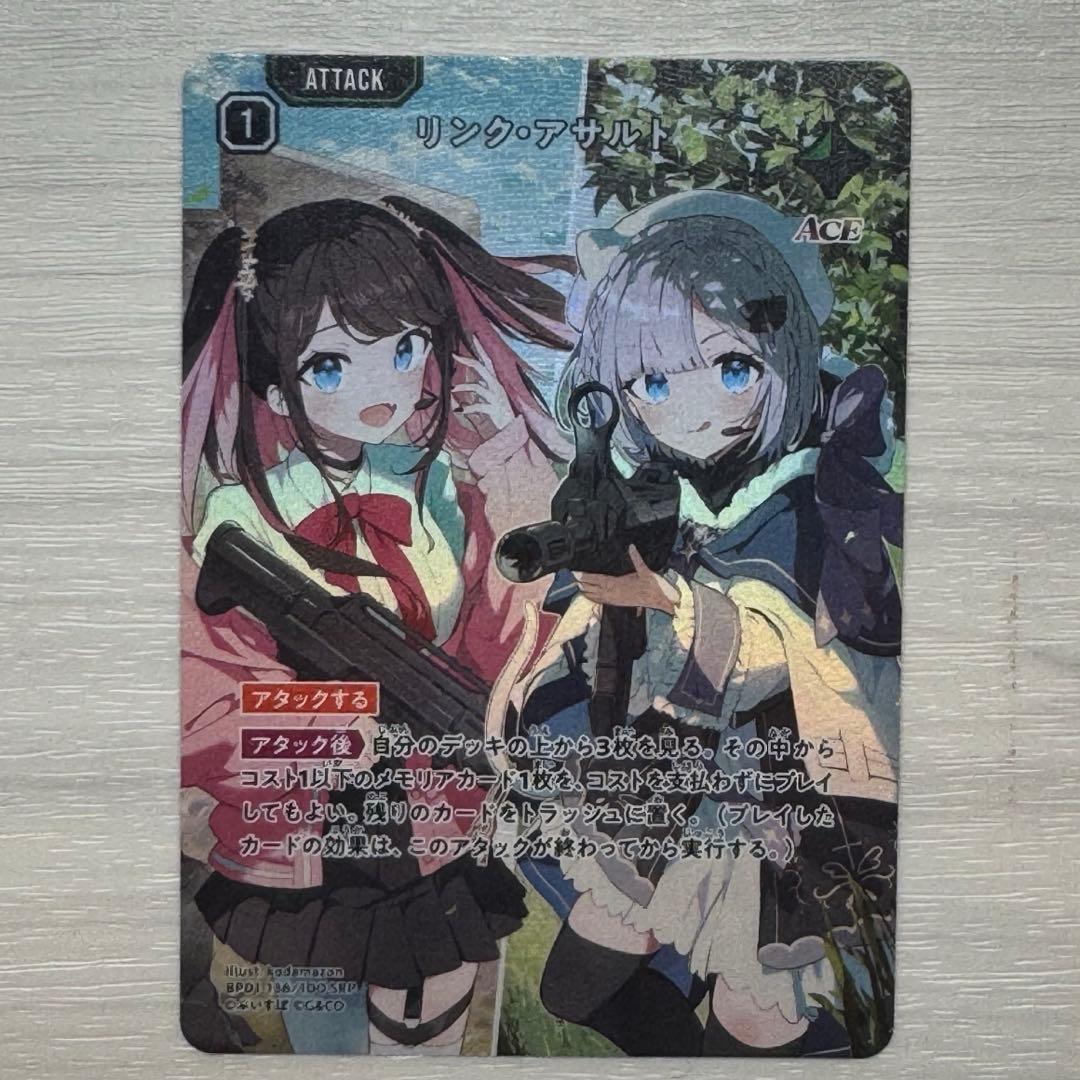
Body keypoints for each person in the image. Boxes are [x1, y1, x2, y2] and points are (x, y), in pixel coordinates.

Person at [499, 191, 902, 1056]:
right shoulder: (661, 489)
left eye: (730, 368)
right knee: (577, 984)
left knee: (755, 1017)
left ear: (781, 355)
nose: (688, 409)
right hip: (668, 773)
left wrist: (672, 603)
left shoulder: (818, 494)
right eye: (651, 383)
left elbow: (790, 645)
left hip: (791, 796)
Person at [180, 197, 572, 1054]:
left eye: (404, 349)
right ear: (275, 383)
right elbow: (209, 705)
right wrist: (346, 723)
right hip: (305, 842)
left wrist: (505, 460)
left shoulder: (435, 497)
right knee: (325, 1039)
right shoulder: (239, 517)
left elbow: (512, 639)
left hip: (426, 832)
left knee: (426, 1031)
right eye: (330, 365)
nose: (381, 387)